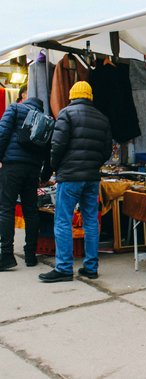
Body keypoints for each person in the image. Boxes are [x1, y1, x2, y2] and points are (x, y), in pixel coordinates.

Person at [39, 81, 111, 283]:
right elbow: (106, 151)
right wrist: (92, 165)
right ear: (89, 96)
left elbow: (57, 145)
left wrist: (54, 167)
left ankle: (63, 268)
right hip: (91, 177)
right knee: (91, 221)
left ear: (72, 95)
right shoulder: (102, 118)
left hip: (70, 176)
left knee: (63, 220)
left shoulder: (66, 113)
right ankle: (91, 267)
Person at [0, 95, 51, 270]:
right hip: (33, 171)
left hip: (12, 167)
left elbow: (2, 133)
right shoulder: (46, 120)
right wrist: (44, 176)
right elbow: (48, 152)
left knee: (6, 209)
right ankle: (30, 255)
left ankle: (6, 255)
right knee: (31, 211)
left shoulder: (15, 108)